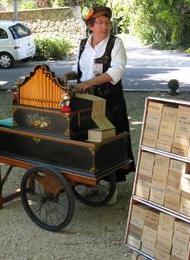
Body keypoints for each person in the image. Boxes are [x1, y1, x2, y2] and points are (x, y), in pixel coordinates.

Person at [61, 6, 135, 185]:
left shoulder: (115, 43)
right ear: (91, 25)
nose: (105, 26)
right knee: (88, 138)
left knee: (110, 140)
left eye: (107, 23)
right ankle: (90, 178)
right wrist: (67, 76)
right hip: (85, 102)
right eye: (100, 22)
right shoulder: (83, 44)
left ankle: (113, 185)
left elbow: (115, 72)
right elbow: (77, 69)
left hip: (109, 103)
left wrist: (87, 83)